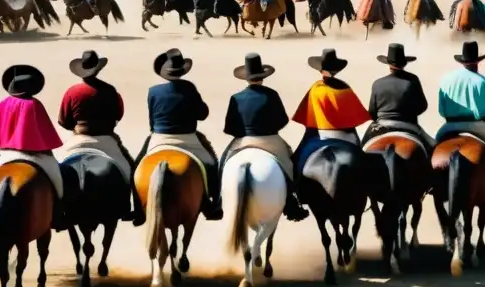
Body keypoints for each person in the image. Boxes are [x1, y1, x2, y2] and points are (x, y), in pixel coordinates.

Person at [134, 49, 222, 220]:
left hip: (159, 137)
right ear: (182, 70)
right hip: (188, 137)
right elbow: (202, 115)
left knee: (136, 167)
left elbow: (151, 120)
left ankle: (138, 209)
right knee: (212, 164)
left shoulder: (153, 91)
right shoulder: (189, 88)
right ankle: (212, 205)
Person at [222, 53, 308, 220]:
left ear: (245, 78)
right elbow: (283, 120)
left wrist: (243, 133)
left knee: (223, 163)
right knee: (290, 164)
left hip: (243, 140)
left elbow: (229, 127)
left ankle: (218, 200)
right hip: (270, 139)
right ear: (263, 77)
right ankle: (292, 201)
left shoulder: (236, 98)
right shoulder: (272, 94)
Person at [57, 50, 140, 224]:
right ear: (98, 69)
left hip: (78, 138)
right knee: (132, 169)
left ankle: (58, 211)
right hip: (107, 138)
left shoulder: (72, 91)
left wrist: (76, 126)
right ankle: (129, 208)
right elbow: (118, 114)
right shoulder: (110, 90)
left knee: (56, 170)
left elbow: (63, 121)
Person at [434, 41, 485, 190]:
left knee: (432, 148)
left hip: (448, 125)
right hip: (476, 125)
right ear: (478, 61)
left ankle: (430, 182)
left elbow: (441, 110)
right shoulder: (482, 81)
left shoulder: (446, 79)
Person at [0, 65, 64, 201]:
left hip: (7, 154)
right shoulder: (34, 104)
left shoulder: (4, 103)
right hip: (35, 154)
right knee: (58, 181)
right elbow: (46, 132)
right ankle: (61, 210)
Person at [291, 48, 371, 171]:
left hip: (321, 135)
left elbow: (308, 115)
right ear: (336, 70)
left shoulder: (316, 88)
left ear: (320, 70)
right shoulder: (345, 88)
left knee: (296, 160)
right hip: (346, 135)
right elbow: (355, 115)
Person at [362, 43, 435, 153]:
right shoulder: (413, 80)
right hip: (408, 124)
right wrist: (408, 113)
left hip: (382, 124)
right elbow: (422, 106)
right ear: (404, 63)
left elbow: (372, 112)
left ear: (388, 64)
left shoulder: (377, 83)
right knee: (433, 147)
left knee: (361, 149)